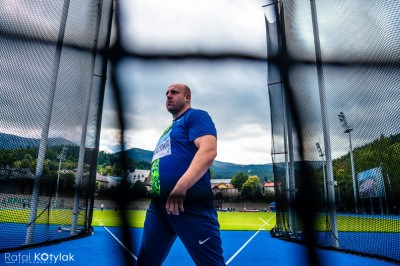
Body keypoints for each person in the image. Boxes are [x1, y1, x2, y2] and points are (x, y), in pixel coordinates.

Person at [137, 82, 225, 266]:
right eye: (166, 93)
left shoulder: (196, 116)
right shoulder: (168, 130)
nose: (168, 95)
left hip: (189, 203)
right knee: (146, 259)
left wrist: (180, 186)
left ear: (187, 97)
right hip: (159, 207)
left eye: (174, 92)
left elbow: (209, 151)